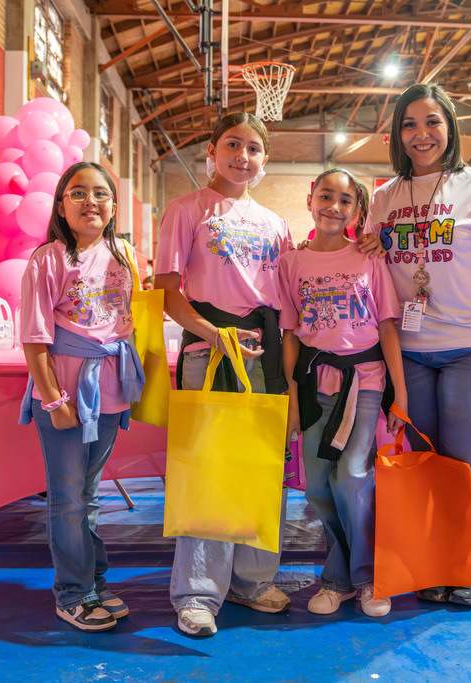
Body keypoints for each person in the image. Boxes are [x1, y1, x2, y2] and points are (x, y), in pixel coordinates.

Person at [359, 83, 471, 608]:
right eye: (409, 124)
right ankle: (435, 556)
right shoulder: (385, 197)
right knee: (424, 459)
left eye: (432, 122)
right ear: (397, 135)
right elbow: (369, 264)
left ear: (450, 127)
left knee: (468, 460)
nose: (421, 134)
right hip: (408, 352)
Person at [154, 112, 294, 637]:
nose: (243, 156)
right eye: (233, 144)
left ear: (265, 160)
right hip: (210, 351)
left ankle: (253, 580)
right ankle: (197, 592)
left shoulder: (276, 224)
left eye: (254, 148)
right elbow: (168, 292)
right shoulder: (187, 210)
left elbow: (286, 296)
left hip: (265, 353)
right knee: (210, 471)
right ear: (211, 151)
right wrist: (214, 336)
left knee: (263, 469)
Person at [19, 162, 145, 632]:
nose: (90, 201)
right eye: (78, 193)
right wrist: (54, 401)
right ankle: (72, 593)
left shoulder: (123, 254)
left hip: (109, 388)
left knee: (89, 494)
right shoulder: (48, 259)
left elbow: (129, 317)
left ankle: (92, 581)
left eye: (100, 193)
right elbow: (34, 339)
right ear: (60, 206)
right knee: (68, 496)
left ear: (113, 205)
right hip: (67, 391)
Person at [279, 168, 407, 619]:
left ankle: (360, 577)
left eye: (345, 200)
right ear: (310, 199)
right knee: (316, 485)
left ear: (357, 210)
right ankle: (348, 575)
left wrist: (400, 394)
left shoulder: (370, 260)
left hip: (364, 382)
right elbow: (290, 334)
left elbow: (387, 328)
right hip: (314, 386)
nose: (334, 206)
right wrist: (291, 398)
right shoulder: (291, 263)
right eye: (326, 196)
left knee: (351, 475)